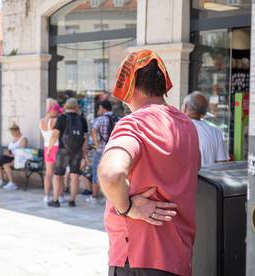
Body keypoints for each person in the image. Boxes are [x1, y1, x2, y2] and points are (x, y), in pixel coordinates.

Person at [98, 50, 201, 276]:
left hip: (136, 258)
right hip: (179, 258)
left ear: (128, 86)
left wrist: (126, 207)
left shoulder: (134, 124)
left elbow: (111, 174)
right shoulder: (187, 127)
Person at [47, 97, 88, 207]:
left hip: (63, 150)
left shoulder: (62, 118)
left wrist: (49, 148)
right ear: (76, 107)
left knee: (57, 175)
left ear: (66, 106)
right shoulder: (82, 119)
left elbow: (55, 134)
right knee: (74, 176)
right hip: (77, 151)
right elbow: (85, 138)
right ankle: (72, 200)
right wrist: (84, 153)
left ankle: (55, 200)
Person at [183, 91, 229, 167]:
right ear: (204, 112)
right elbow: (222, 164)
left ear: (185, 107)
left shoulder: (177, 129)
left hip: (186, 178)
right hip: (207, 178)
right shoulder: (216, 132)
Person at [88, 99, 116, 203]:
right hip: (112, 151)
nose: (98, 109)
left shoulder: (101, 119)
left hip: (100, 150)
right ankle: (109, 197)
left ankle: (94, 196)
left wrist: (96, 143)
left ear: (103, 108)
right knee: (111, 174)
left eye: (99, 107)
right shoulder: (117, 118)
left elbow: (93, 130)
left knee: (96, 172)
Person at [39, 98, 62, 203]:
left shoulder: (41, 121)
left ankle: (46, 196)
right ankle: (60, 196)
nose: (57, 111)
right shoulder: (55, 121)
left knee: (48, 173)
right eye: (56, 108)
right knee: (58, 174)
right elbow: (56, 135)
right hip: (56, 147)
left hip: (46, 147)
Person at [0, 123, 28, 190]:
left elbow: (22, 152)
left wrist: (12, 155)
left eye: (13, 132)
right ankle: (1, 180)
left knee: (5, 165)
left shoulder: (23, 139)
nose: (12, 134)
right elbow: (10, 149)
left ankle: (12, 183)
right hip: (9, 157)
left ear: (17, 131)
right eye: (11, 133)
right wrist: (7, 152)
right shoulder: (14, 139)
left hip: (18, 159)